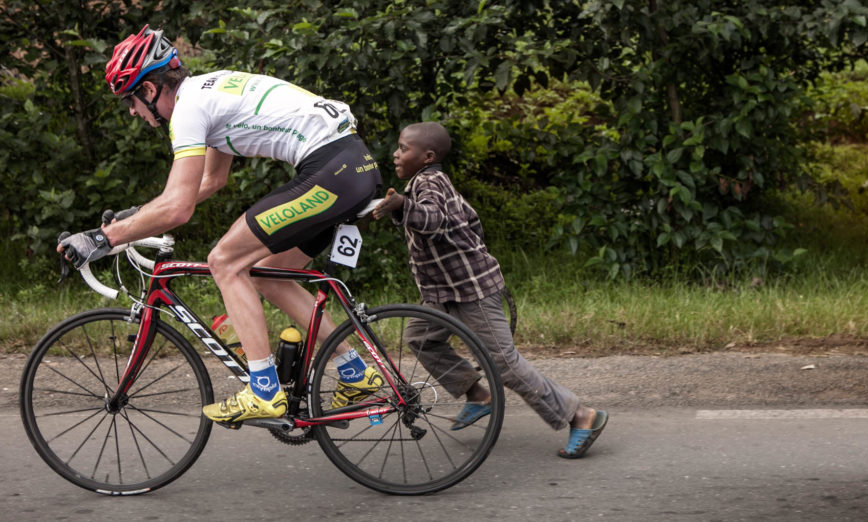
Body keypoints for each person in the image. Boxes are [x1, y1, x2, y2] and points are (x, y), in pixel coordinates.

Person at [57, 25, 384, 424]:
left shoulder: (189, 109)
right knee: (268, 273)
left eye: (131, 99)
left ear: (149, 89)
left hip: (333, 169)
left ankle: (264, 391)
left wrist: (101, 238)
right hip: (350, 167)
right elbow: (211, 182)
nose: (132, 111)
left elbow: (178, 208)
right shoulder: (206, 93)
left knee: (225, 261)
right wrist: (135, 217)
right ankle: (354, 372)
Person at [372, 121, 608, 458]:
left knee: (504, 364)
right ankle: (477, 394)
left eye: (403, 148)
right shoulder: (421, 181)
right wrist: (398, 207)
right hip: (444, 292)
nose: (395, 153)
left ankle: (582, 416)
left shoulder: (430, 182)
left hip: (472, 291)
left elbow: (433, 220)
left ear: (427, 156)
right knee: (420, 337)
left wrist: (401, 207)